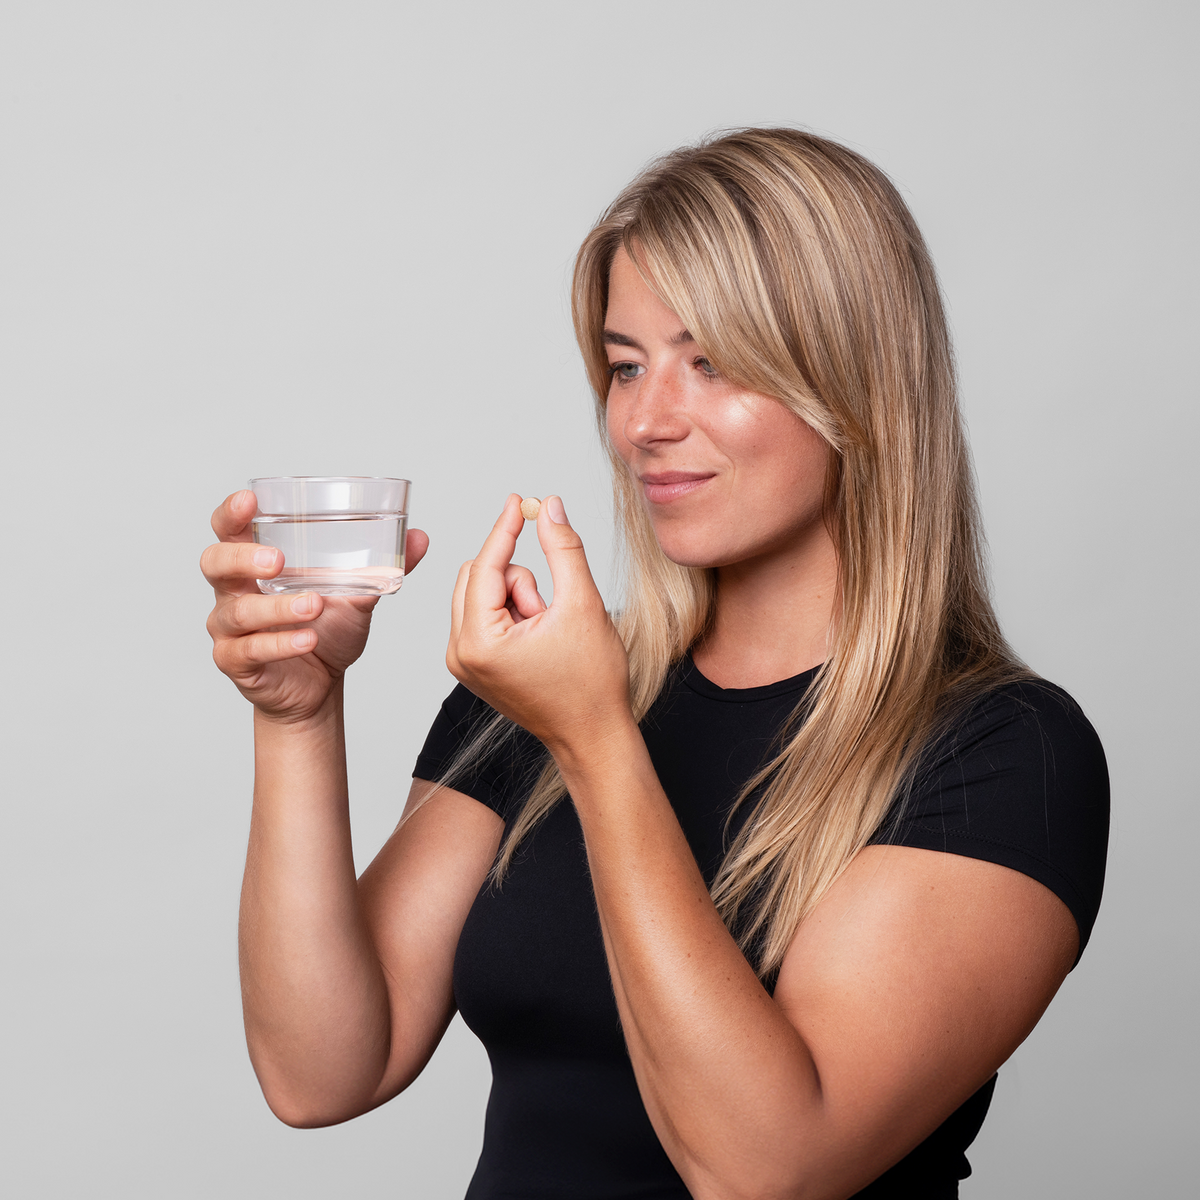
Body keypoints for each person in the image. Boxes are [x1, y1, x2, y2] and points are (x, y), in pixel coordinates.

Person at [202, 128, 1108, 1199]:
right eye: (626, 366)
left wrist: (595, 742)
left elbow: (764, 1169)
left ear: (856, 383)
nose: (644, 422)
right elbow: (321, 1070)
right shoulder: (548, 686)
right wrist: (299, 716)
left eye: (710, 362)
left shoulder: (1004, 752)